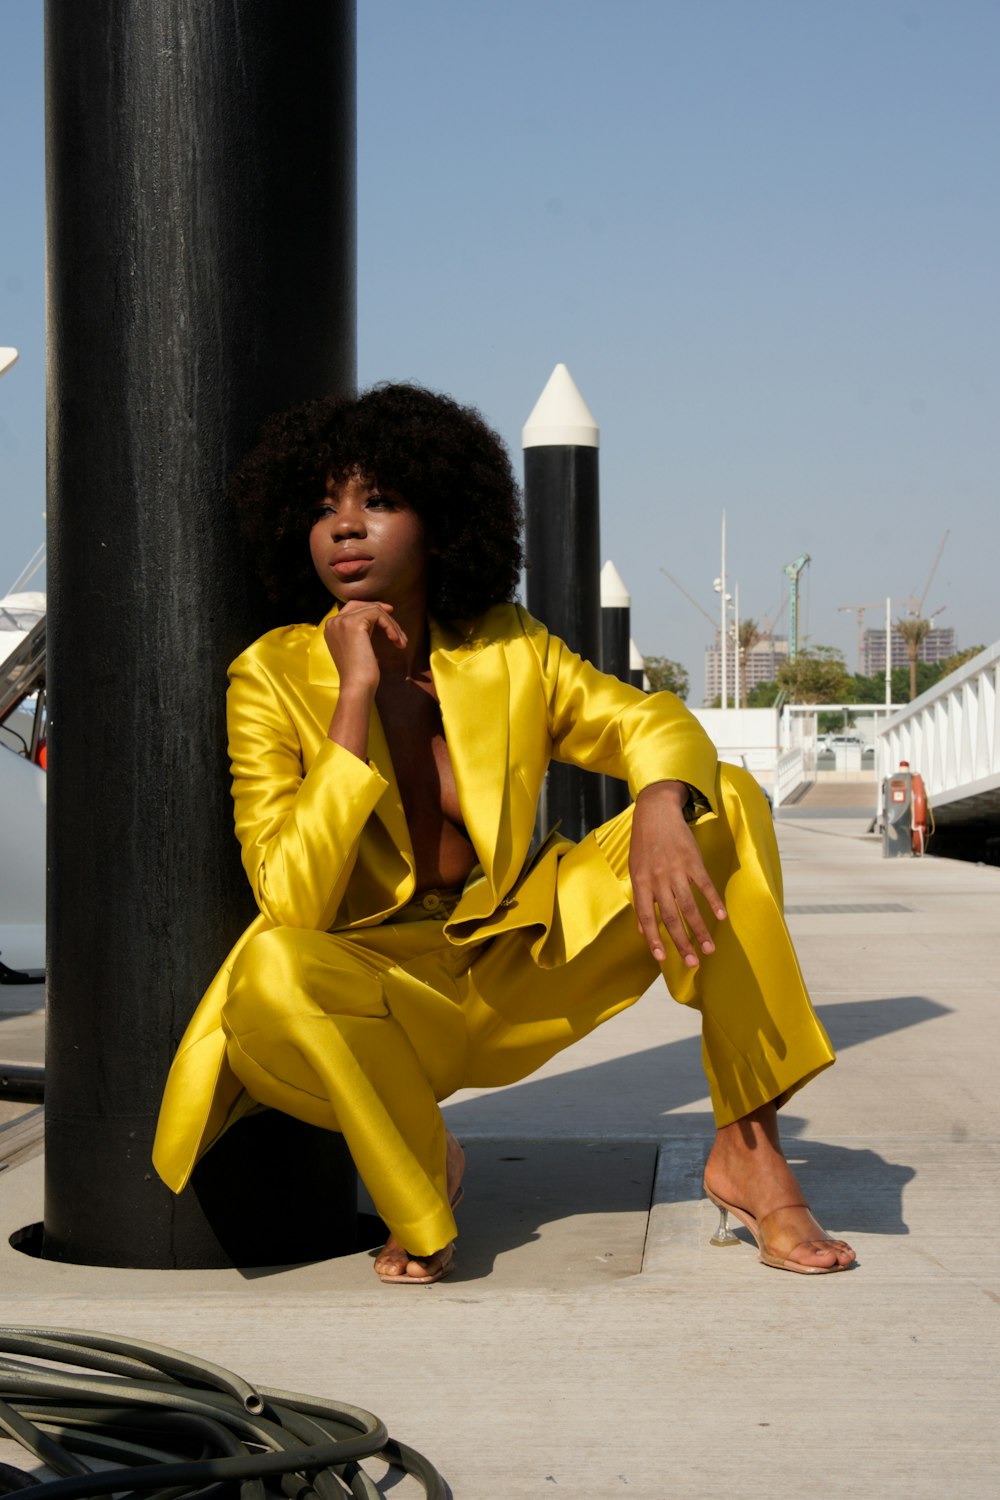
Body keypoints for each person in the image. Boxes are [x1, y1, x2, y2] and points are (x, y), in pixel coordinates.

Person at [152, 383, 856, 1282]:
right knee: (271, 967)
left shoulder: (507, 648)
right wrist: (355, 697)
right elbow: (291, 898)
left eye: (379, 501)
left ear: (441, 524)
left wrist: (657, 806)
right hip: (379, 1001)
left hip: (518, 965)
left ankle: (750, 1150)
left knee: (727, 800)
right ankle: (422, 1177)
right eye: (325, 509)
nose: (346, 527)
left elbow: (650, 723)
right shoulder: (271, 675)